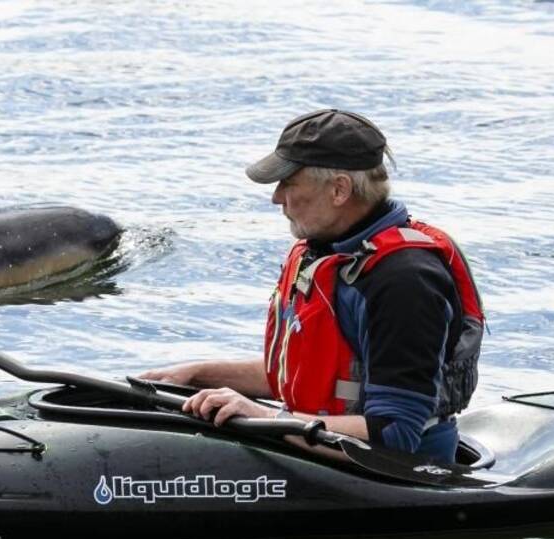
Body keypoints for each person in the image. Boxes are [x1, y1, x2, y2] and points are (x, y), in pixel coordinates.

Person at [142, 109, 483, 463]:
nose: (276, 197)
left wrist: (262, 417)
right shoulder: (332, 250)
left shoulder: (405, 282)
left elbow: (394, 435)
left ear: (339, 189)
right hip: (315, 451)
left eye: (288, 182)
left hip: (395, 478)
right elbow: (312, 371)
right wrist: (196, 375)